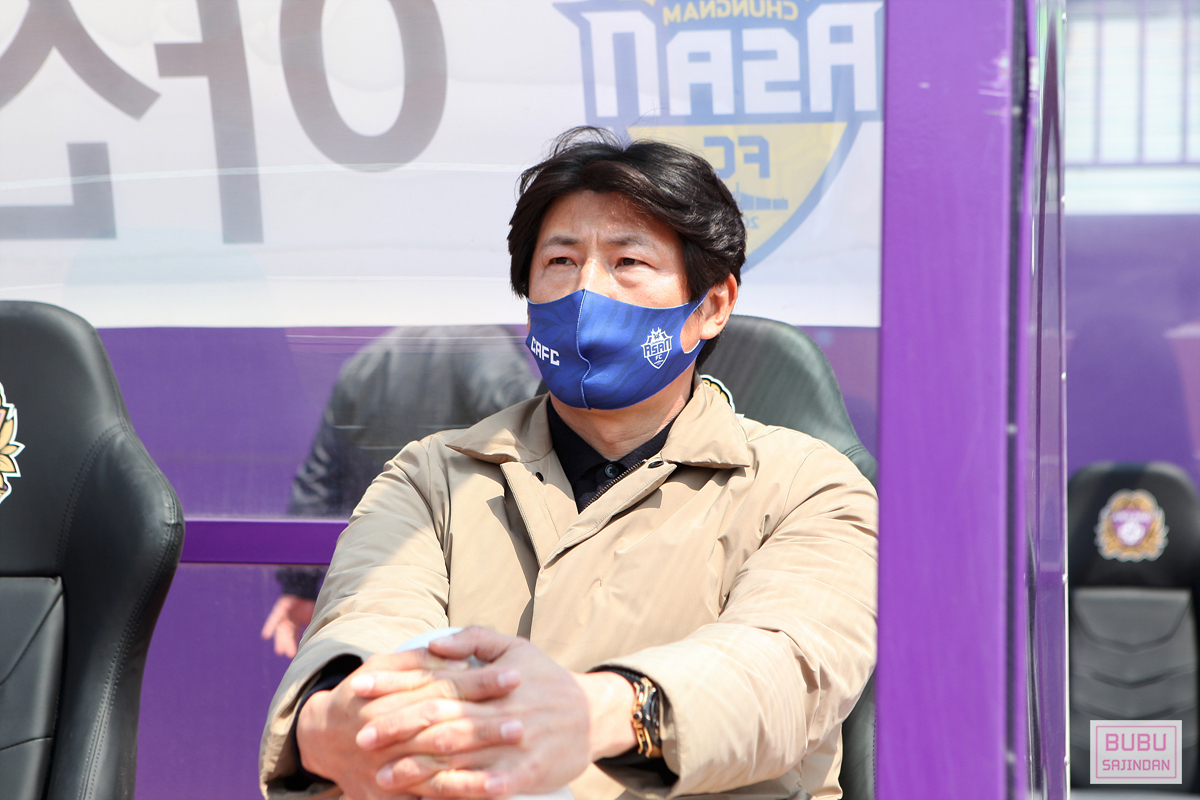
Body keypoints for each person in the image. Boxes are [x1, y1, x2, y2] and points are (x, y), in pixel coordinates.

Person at [259, 127, 878, 800]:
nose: (587, 291)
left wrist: (597, 714)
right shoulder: (431, 476)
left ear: (713, 306)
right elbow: (363, 625)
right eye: (560, 261)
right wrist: (329, 725)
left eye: (627, 261)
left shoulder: (810, 487)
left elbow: (784, 672)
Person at [261, 325, 541, 657]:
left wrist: (300, 585)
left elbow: (320, 478)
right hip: (471, 567)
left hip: (383, 570)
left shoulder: (364, 365)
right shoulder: (482, 347)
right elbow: (532, 425)